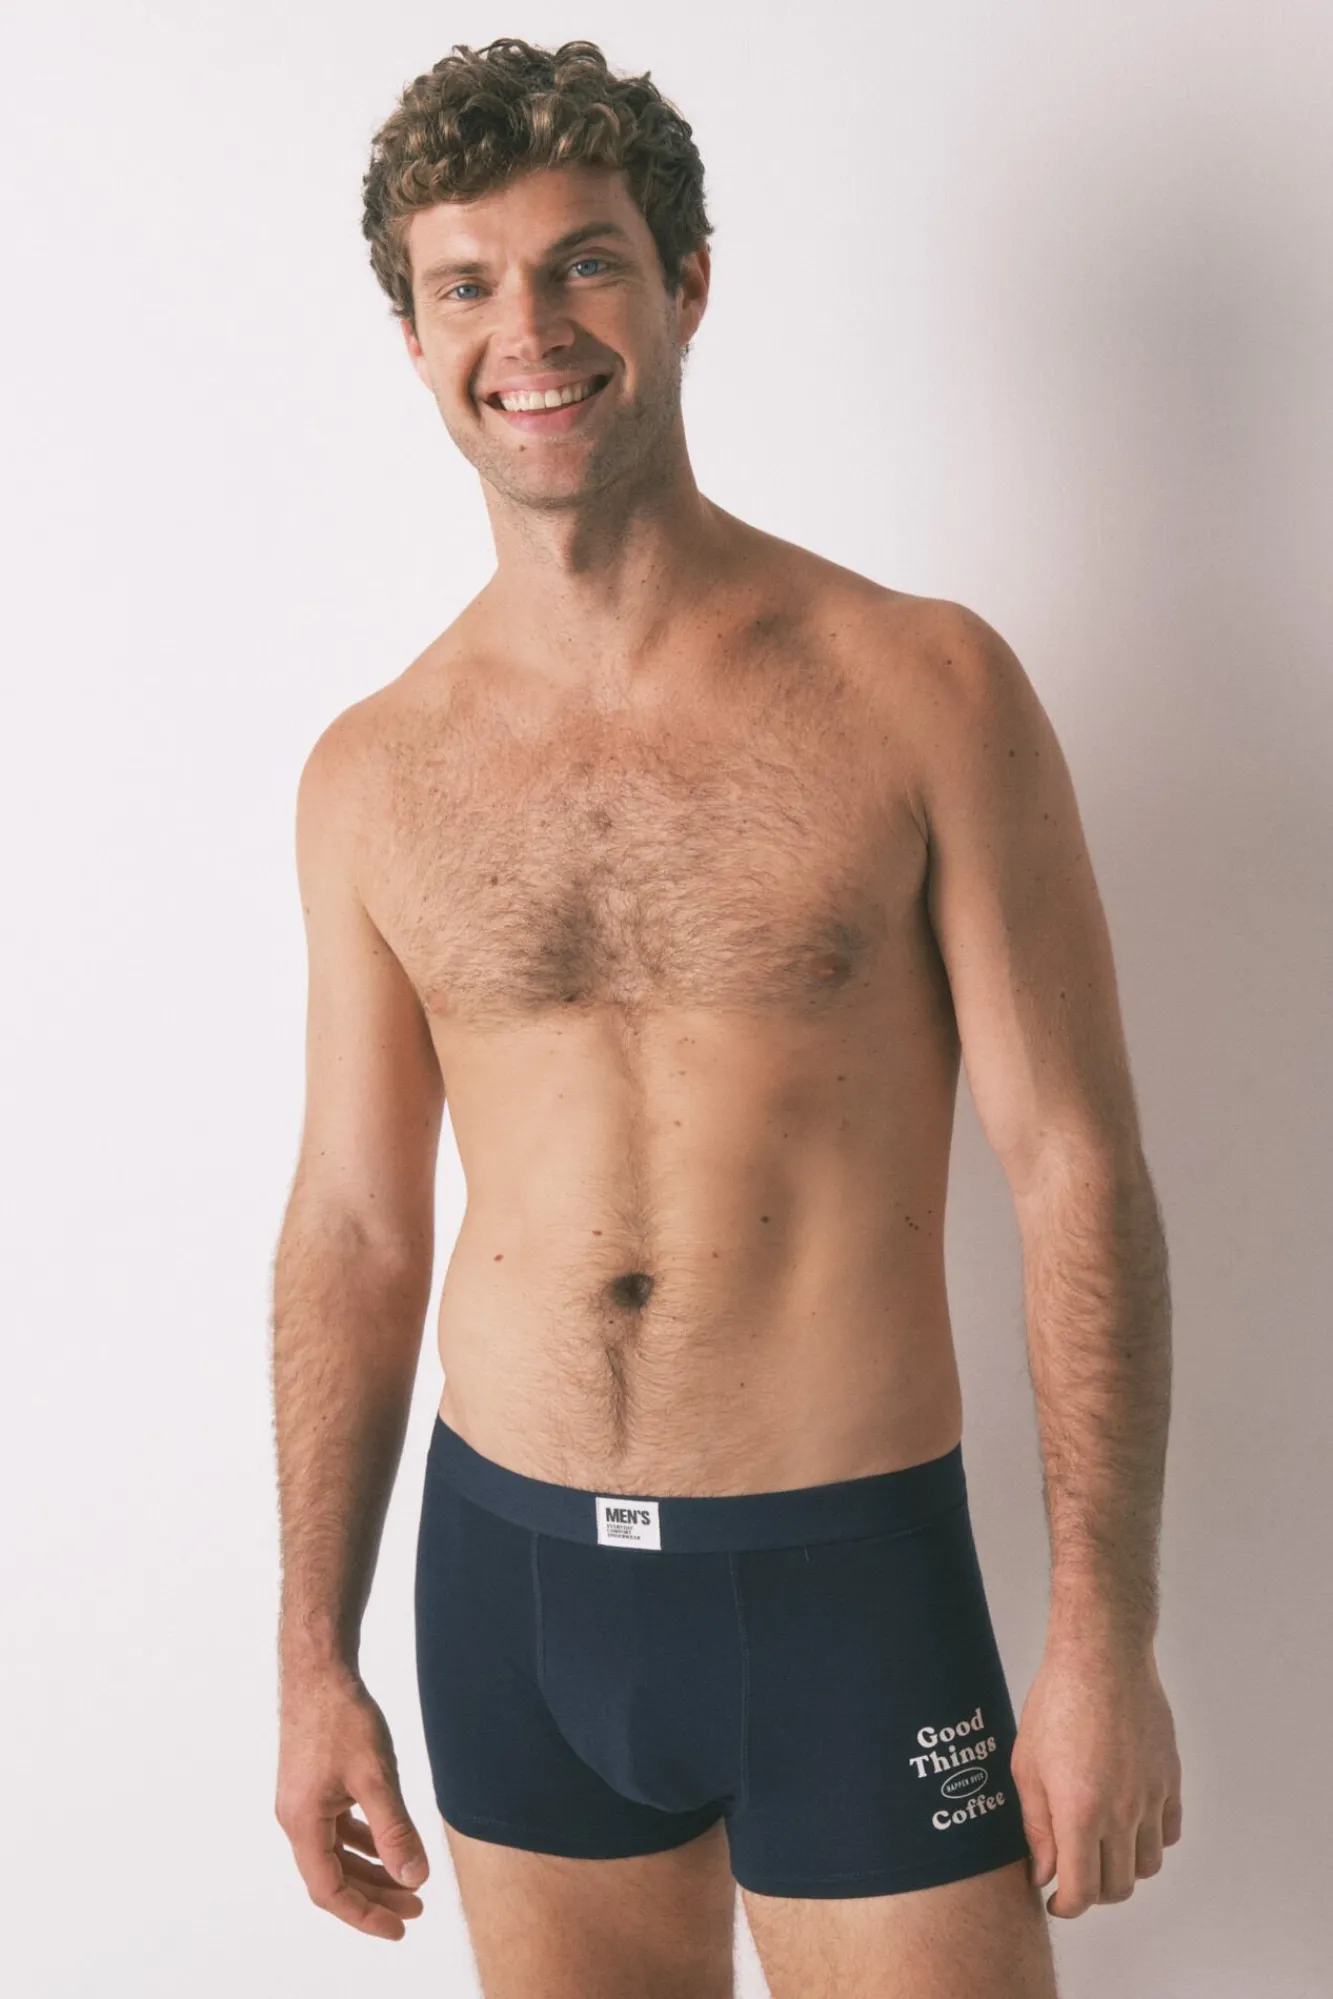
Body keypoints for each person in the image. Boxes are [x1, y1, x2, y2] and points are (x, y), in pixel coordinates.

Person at [270, 35, 1181, 1999]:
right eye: (467, 285)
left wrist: (1105, 1638)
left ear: (686, 283)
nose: (530, 330)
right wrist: (309, 1659)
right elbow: (352, 1222)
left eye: (584, 263)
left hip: (844, 1580)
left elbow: (1076, 1165)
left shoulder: (919, 687)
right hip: (511, 1587)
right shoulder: (372, 772)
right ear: (416, 338)